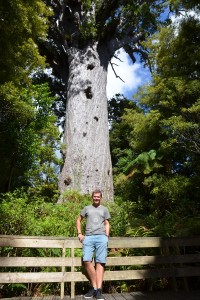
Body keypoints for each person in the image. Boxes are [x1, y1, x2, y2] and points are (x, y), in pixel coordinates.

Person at [76, 189, 110, 300]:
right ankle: (95, 287)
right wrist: (79, 233)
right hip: (88, 237)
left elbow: (107, 223)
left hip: (101, 237)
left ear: (101, 197)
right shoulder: (86, 208)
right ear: (92, 197)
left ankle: (98, 290)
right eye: (94, 196)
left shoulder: (104, 209)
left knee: (100, 262)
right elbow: (78, 220)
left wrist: (106, 235)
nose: (96, 198)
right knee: (86, 260)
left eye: (98, 197)